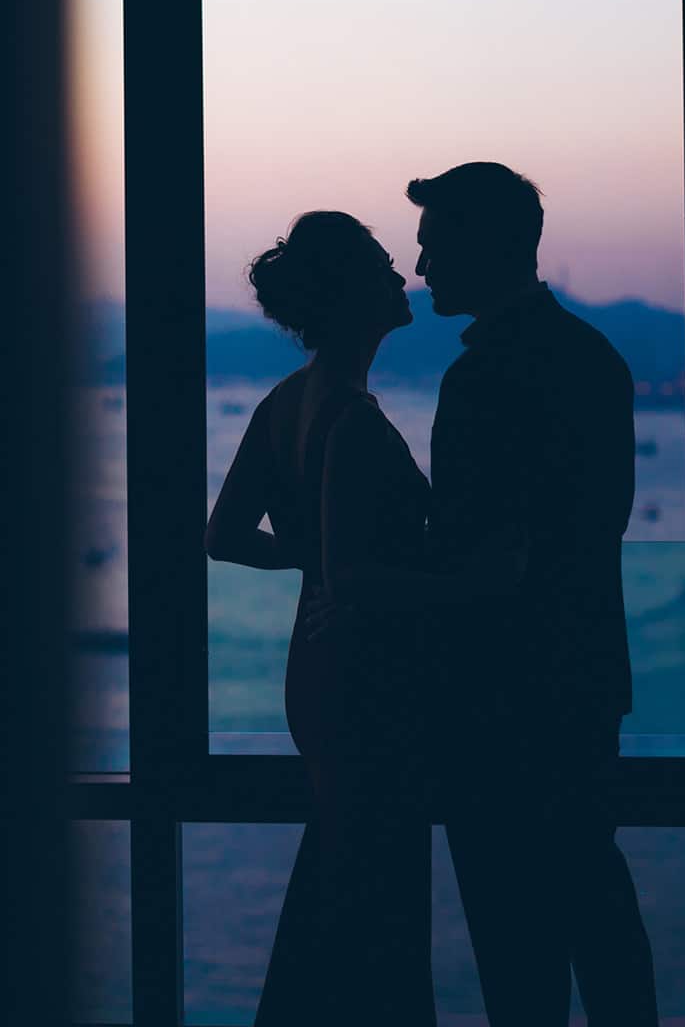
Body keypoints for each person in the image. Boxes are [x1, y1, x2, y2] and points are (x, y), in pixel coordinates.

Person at [409, 161, 660, 1025]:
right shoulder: (594, 358)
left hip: (494, 698)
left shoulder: (482, 378)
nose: (421, 269)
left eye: (434, 247)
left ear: (483, 246)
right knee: (595, 902)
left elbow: (474, 551)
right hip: (581, 682)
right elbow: (596, 526)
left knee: (515, 942)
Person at [203, 211, 440, 1026]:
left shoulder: (284, 404)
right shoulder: (355, 421)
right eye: (382, 266)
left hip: (317, 670)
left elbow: (223, 538)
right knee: (380, 883)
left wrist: (314, 561)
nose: (401, 274)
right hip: (371, 680)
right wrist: (477, 579)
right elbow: (365, 576)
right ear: (351, 296)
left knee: (345, 873)